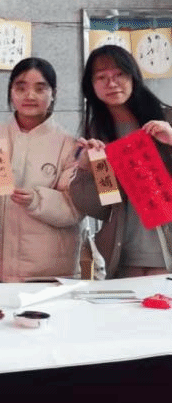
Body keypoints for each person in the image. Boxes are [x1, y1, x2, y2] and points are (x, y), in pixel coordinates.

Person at [0, 58, 81, 282]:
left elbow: (75, 209)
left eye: (40, 89)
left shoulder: (69, 144)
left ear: (53, 94)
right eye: (20, 88)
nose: (29, 95)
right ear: (10, 92)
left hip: (48, 273)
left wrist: (37, 200)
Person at [70, 45, 172, 278]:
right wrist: (87, 168)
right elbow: (104, 204)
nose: (112, 83)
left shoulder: (166, 119)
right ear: (91, 85)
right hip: (124, 254)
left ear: (133, 77)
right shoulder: (97, 133)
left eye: (119, 75)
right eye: (101, 77)